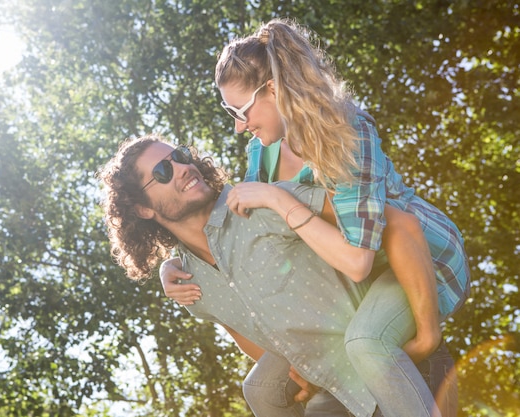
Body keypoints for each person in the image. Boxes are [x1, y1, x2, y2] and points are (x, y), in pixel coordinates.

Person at [160, 17, 469, 417]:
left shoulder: (347, 132)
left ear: (272, 90)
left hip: (420, 257)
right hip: (366, 278)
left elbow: (359, 259)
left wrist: (427, 336)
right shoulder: (263, 152)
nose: (239, 127)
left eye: (240, 109)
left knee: (366, 342)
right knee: (261, 387)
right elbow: (244, 234)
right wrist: (171, 263)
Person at [98, 135, 455, 417]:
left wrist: (427, 334)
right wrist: (298, 365)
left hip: (405, 368)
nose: (181, 167)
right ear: (143, 209)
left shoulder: (262, 202)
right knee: (258, 390)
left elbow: (383, 220)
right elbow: (243, 328)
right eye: (162, 171)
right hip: (340, 396)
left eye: (180, 155)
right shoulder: (188, 282)